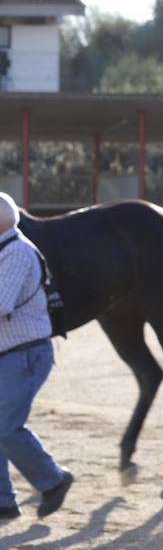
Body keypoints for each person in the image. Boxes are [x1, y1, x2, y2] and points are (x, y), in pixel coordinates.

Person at [0, 192, 74, 521]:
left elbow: (1, 305)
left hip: (23, 355)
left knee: (5, 428)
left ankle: (53, 480)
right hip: (12, 354)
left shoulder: (15, 252)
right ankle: (3, 501)